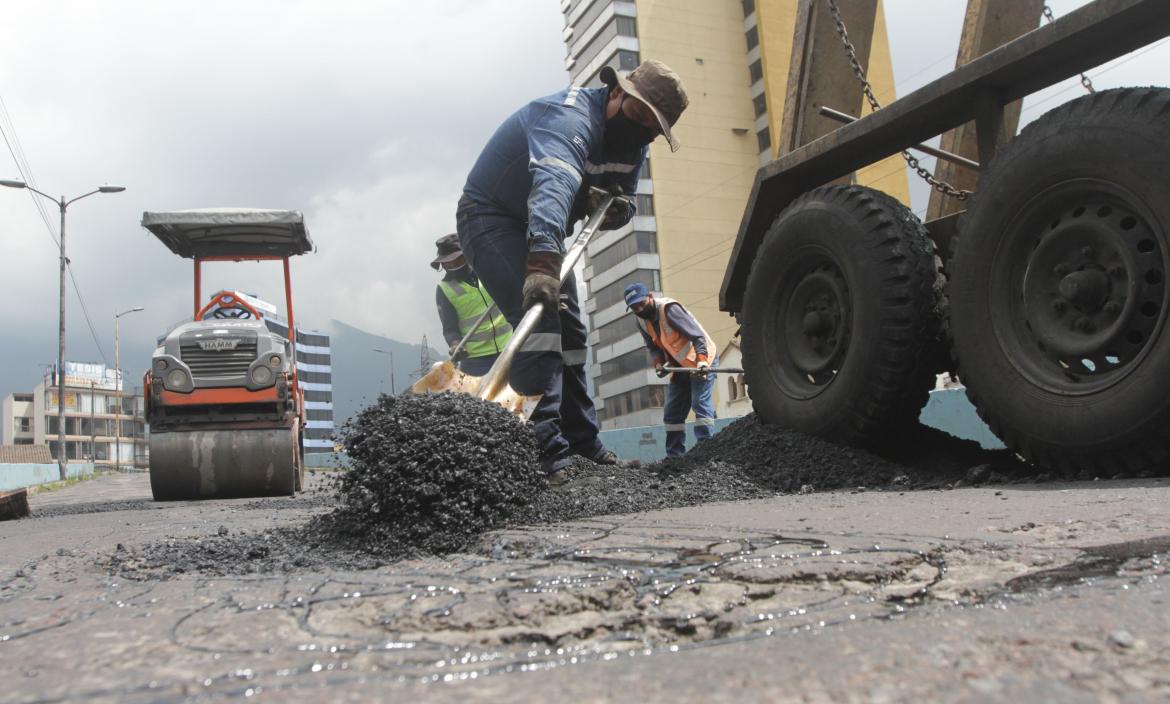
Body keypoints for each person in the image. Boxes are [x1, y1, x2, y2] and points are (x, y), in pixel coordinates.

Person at [456, 59, 689, 478]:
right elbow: (555, 186)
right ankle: (544, 452)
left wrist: (617, 207)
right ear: (617, 93)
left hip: (541, 229)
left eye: (652, 129)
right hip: (494, 218)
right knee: (542, 325)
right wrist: (543, 262)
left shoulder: (633, 144)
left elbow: (624, 198)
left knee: (573, 334)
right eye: (639, 117)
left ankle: (581, 443)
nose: (642, 133)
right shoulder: (568, 117)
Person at [624, 283, 717, 458]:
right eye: (634, 307)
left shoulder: (668, 309)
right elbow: (653, 346)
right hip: (680, 367)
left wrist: (702, 361)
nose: (639, 309)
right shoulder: (641, 321)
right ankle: (675, 456)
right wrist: (659, 362)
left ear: (650, 296)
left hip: (701, 360)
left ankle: (706, 451)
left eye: (641, 303)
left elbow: (697, 335)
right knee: (672, 412)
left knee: (700, 404)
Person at [432, 233, 512, 376]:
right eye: (447, 263)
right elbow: (450, 329)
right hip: (477, 361)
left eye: (455, 261)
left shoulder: (487, 272)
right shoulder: (445, 290)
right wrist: (455, 345)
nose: (451, 265)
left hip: (510, 346)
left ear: (466, 256)